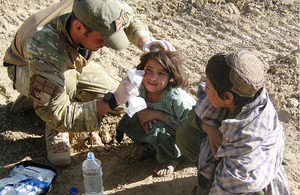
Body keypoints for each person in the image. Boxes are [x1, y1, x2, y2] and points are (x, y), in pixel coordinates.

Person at [2, 0, 176, 167]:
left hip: (68, 62)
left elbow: (128, 20)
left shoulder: (100, 8)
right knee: (70, 87)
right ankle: (48, 114)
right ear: (79, 27)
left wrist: (146, 41)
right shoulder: (45, 45)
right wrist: (112, 100)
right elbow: (58, 113)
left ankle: (42, 94)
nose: (107, 45)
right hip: (26, 67)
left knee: (122, 100)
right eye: (102, 39)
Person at [176, 50, 290, 194]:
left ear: (227, 98)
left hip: (250, 178)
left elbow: (233, 180)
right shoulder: (241, 95)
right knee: (185, 133)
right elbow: (195, 113)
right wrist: (210, 129)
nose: (205, 88)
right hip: (229, 158)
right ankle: (208, 175)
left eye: (209, 87)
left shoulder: (249, 132)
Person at [116, 46, 196, 176]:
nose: (153, 78)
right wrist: (142, 113)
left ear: (171, 77)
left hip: (183, 135)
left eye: (161, 73)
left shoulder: (176, 99)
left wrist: (158, 115)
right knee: (130, 119)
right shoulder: (140, 89)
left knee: (158, 129)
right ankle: (149, 147)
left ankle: (174, 158)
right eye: (149, 70)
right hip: (162, 125)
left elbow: (189, 128)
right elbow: (130, 102)